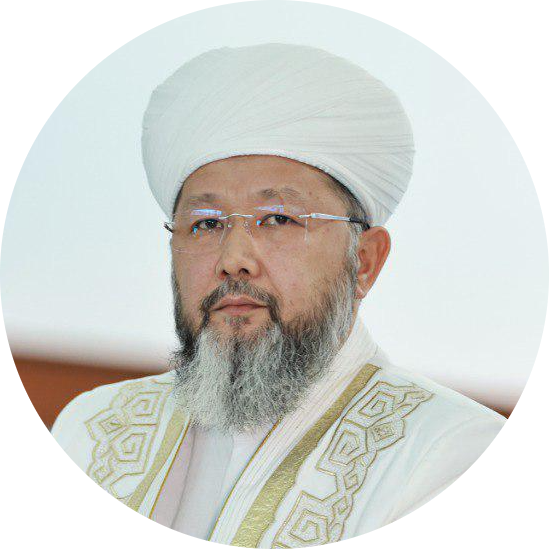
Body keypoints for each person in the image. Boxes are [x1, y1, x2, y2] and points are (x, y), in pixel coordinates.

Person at [51, 44, 505, 544]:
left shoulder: (446, 453)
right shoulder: (92, 430)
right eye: (206, 224)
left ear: (364, 261)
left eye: (278, 219)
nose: (233, 258)